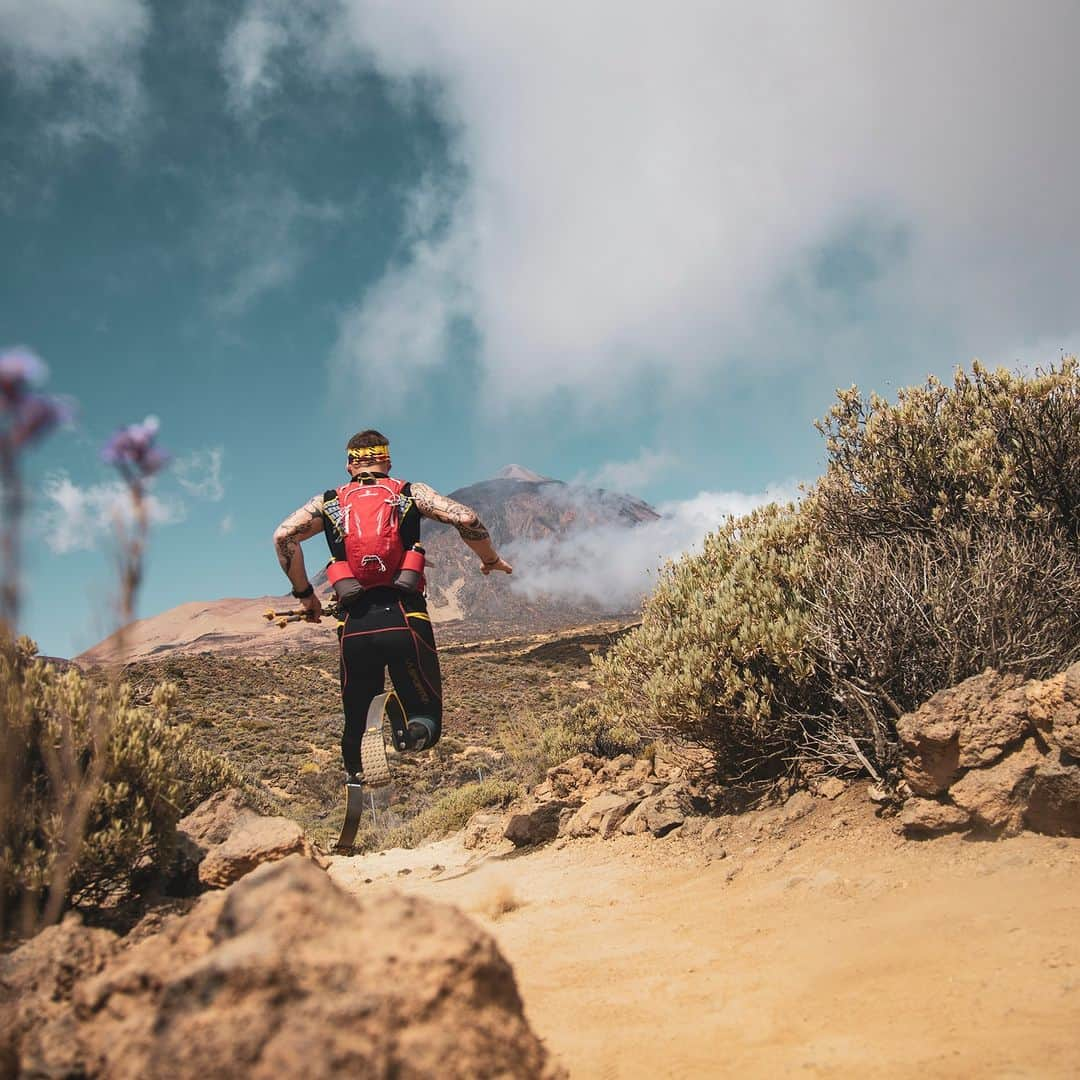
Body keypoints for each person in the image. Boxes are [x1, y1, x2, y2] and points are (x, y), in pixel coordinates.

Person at [272, 430, 512, 780]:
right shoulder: (408, 492)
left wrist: (305, 594)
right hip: (405, 617)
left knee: (355, 720)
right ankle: (410, 733)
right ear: (387, 461)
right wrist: (490, 559)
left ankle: (357, 777)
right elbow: (466, 518)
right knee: (427, 715)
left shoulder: (328, 502)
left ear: (349, 465)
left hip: (353, 626)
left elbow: (283, 536)